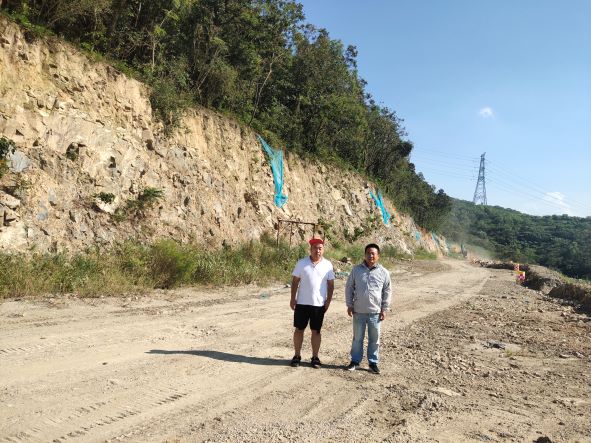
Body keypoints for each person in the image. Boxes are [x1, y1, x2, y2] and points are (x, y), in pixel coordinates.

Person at [345, 243, 392, 374]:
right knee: (357, 338)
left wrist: (384, 309)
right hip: (358, 311)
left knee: (374, 340)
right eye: (368, 253)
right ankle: (355, 361)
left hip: (375, 312)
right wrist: (349, 304)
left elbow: (387, 291)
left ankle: (373, 363)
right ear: (365, 255)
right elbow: (349, 287)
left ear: (378, 256)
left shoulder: (383, 272)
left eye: (373, 253)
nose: (371, 256)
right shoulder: (356, 270)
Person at [289, 238, 335, 368]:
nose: (317, 251)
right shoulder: (301, 263)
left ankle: (315, 357)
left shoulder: (328, 265)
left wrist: (328, 301)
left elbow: (331, 285)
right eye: (315, 248)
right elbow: (295, 281)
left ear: (323, 250)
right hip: (302, 303)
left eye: (320, 248)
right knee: (299, 330)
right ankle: (297, 356)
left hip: (318, 305)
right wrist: (292, 299)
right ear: (310, 249)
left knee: (316, 331)